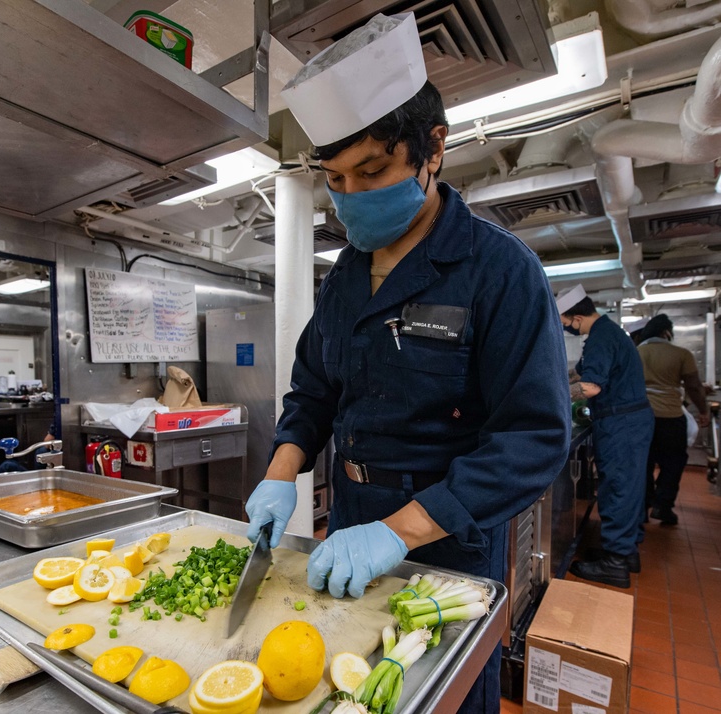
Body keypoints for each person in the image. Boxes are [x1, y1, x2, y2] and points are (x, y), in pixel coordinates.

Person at [244, 14, 571, 713]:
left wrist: (397, 533)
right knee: (356, 694)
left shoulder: (499, 272)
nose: (352, 197)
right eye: (336, 178)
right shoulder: (345, 276)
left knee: (438, 696)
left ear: (434, 151)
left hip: (448, 539)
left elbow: (533, 439)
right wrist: (278, 479)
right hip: (354, 518)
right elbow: (314, 390)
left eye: (373, 170)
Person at [559, 285, 654, 587]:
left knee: (618, 488)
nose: (564, 328)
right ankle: (626, 552)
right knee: (630, 485)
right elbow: (582, 374)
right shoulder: (607, 333)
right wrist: (561, 377)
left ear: (574, 317)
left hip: (622, 423)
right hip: (630, 421)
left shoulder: (602, 336)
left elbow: (591, 388)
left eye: (563, 322)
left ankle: (615, 563)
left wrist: (554, 393)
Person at [638, 314, 708, 525]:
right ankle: (663, 506)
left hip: (642, 417)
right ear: (667, 332)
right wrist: (703, 410)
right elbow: (694, 386)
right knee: (673, 463)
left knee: (644, 464)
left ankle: (642, 507)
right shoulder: (681, 354)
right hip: (671, 416)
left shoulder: (637, 352)